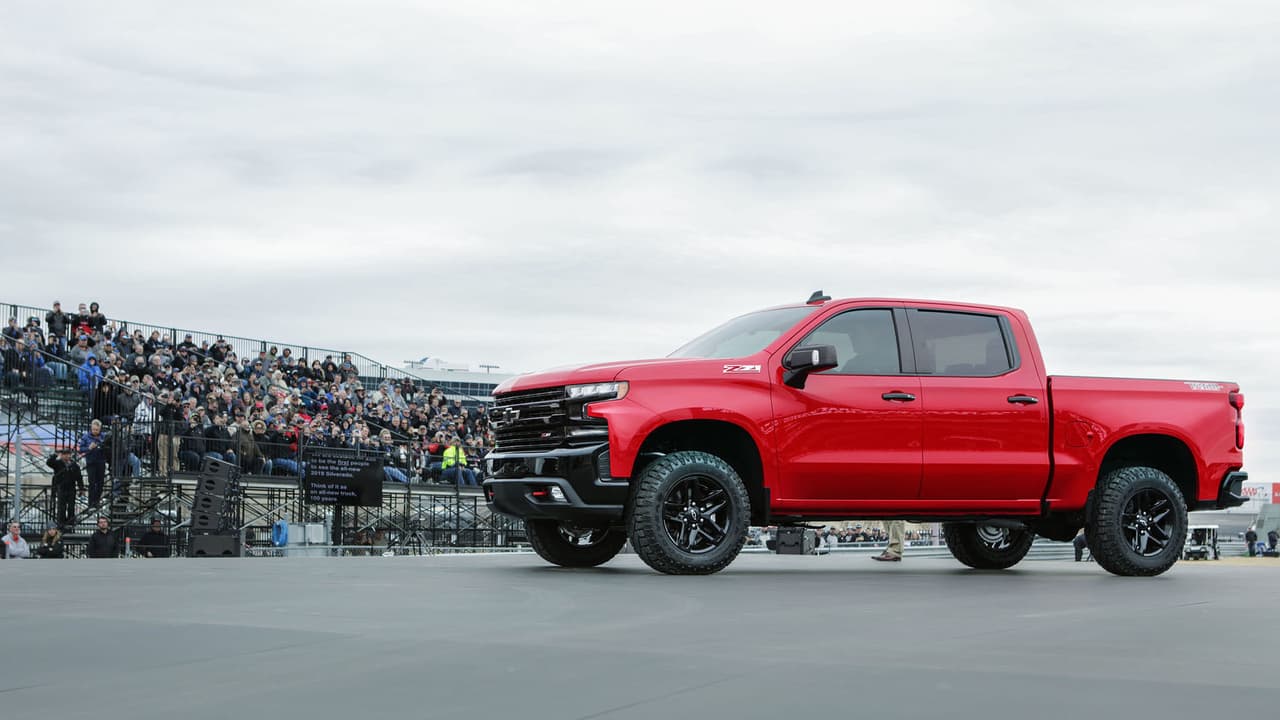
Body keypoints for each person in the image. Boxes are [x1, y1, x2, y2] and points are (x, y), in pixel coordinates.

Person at [47, 446, 85, 527]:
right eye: (65, 454)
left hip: (71, 487)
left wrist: (81, 488)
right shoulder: (58, 463)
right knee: (62, 507)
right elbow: (49, 463)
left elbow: (79, 477)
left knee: (71, 507)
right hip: (61, 487)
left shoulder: (74, 465)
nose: (67, 456)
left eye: (68, 454)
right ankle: (61, 523)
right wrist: (55, 455)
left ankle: (70, 523)